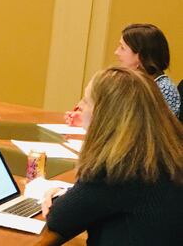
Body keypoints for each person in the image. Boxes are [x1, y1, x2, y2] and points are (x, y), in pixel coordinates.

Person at [38, 67, 183, 245]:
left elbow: (59, 218)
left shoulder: (121, 167)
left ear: (104, 114)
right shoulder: (165, 154)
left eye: (86, 101)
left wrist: (55, 195)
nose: (80, 107)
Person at [66, 23, 180, 124]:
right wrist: (87, 117)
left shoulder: (164, 90)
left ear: (140, 56)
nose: (116, 52)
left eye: (122, 48)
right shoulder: (130, 81)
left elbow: (143, 131)